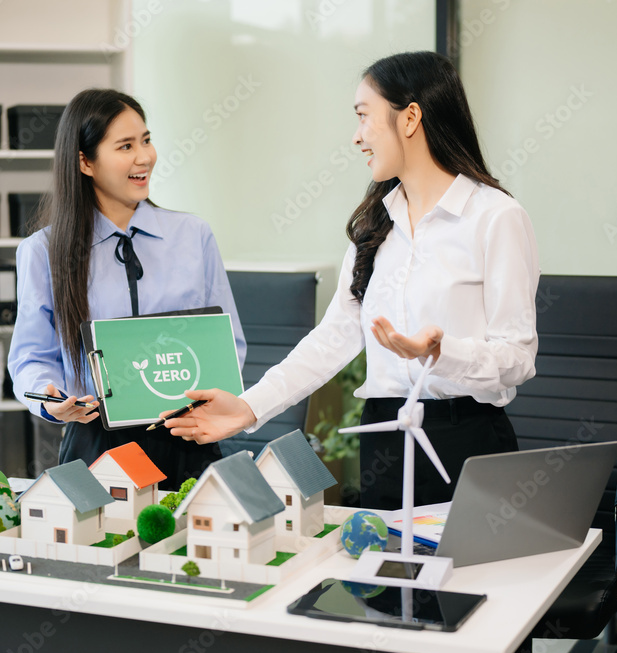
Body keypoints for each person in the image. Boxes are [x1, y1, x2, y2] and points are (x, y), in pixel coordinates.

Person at [164, 52, 539, 510]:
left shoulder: (495, 217)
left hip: (467, 440)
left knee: (470, 580)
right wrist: (248, 407)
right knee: (386, 579)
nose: (357, 137)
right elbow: (333, 338)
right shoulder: (374, 224)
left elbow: (517, 357)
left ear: (410, 118)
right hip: (385, 437)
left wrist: (441, 351)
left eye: (364, 117)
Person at [8, 88, 246, 489]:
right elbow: (30, 357)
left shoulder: (193, 235)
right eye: (125, 146)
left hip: (187, 436)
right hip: (96, 443)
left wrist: (209, 397)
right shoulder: (42, 252)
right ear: (85, 161)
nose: (144, 157)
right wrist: (50, 399)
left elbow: (229, 343)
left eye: (146, 141)